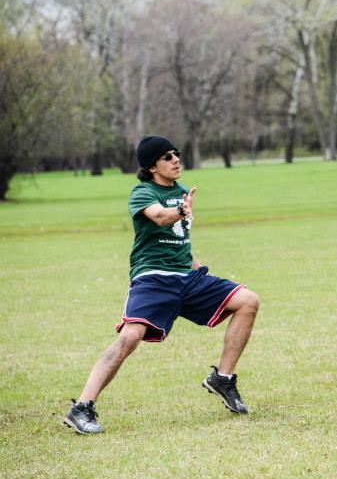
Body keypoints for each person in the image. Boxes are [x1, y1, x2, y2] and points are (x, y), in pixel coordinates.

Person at [63, 136, 260, 434]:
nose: (176, 159)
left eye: (177, 154)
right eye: (168, 156)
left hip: (187, 278)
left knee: (248, 301)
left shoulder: (181, 191)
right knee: (130, 338)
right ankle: (82, 407)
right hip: (153, 278)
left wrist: (199, 269)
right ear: (152, 165)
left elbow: (181, 240)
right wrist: (181, 211)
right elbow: (159, 218)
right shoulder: (142, 193)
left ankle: (223, 378)